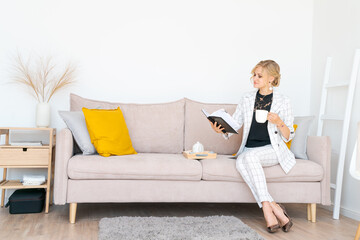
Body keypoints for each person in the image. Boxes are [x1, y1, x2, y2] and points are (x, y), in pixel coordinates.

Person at [210, 60, 294, 233]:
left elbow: (288, 136)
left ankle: (267, 211)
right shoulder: (247, 98)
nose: (254, 78)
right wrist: (221, 129)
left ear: (271, 78)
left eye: (259, 76)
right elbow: (235, 124)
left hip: (272, 150)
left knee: (247, 158)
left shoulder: (283, 101)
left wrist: (279, 122)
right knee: (242, 161)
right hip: (249, 150)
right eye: (254, 75)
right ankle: (275, 208)